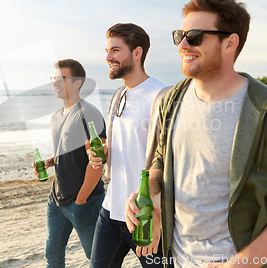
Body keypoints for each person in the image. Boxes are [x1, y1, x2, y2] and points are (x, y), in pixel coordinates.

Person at [125, 0, 267, 268]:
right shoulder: (172, 100)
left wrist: (239, 264)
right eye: (178, 35)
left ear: (230, 43)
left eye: (194, 36)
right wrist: (149, 190)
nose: (182, 44)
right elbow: (162, 156)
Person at [88, 23, 173, 268]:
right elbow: (126, 143)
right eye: (107, 51)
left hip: (145, 214)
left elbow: (170, 159)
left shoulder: (161, 96)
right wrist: (104, 154)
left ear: (137, 53)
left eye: (115, 50)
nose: (107, 57)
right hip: (110, 209)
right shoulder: (118, 95)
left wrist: (157, 214)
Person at [32, 59, 106, 268]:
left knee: (97, 259)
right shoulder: (56, 117)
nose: (55, 83)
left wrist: (81, 199)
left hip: (85, 202)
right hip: (56, 200)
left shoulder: (88, 114)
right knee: (52, 257)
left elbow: (98, 161)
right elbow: (68, 151)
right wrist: (50, 162)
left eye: (60, 78)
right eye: (53, 78)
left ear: (77, 83)